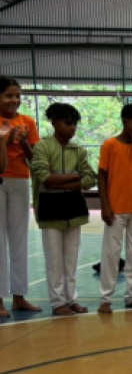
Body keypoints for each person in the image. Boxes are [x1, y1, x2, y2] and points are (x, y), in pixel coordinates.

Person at [30, 103, 96, 316]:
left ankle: (72, 300)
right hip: (50, 210)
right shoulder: (42, 147)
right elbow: (46, 178)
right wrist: (74, 176)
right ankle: (58, 303)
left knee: (71, 260)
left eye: (74, 124)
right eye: (68, 123)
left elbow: (89, 178)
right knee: (54, 261)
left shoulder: (79, 150)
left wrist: (65, 182)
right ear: (54, 122)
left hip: (74, 209)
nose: (72, 128)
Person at [97, 104, 132, 314]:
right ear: (124, 121)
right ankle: (105, 297)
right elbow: (101, 176)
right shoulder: (110, 145)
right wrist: (105, 205)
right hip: (116, 208)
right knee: (111, 253)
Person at [0, 76, 42, 317]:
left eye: (17, 96)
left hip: (20, 179)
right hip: (0, 179)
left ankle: (19, 297)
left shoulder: (27, 122)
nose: (14, 100)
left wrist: (24, 141)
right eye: (8, 95)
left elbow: (33, 158)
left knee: (19, 239)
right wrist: (5, 138)